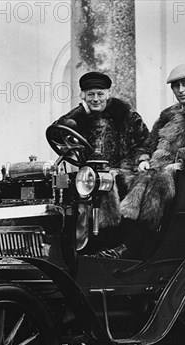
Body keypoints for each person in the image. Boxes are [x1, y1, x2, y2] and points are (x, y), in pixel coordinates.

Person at [96, 64, 185, 258]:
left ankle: (131, 248)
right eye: (175, 86)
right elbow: (147, 144)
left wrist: (183, 162)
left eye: (184, 84)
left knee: (158, 181)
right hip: (157, 170)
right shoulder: (168, 116)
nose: (180, 90)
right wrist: (143, 159)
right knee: (110, 178)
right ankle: (106, 240)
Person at [53, 71, 149, 230]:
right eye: (90, 94)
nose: (96, 99)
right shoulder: (78, 118)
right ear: (82, 95)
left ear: (108, 94)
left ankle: (109, 236)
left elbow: (144, 141)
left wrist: (140, 159)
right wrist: (80, 112)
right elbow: (57, 132)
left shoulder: (126, 115)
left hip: (122, 172)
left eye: (100, 94)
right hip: (86, 175)